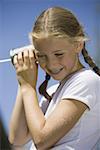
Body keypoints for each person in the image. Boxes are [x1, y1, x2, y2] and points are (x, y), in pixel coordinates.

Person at [9, 7, 100, 150]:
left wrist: (28, 87)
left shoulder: (87, 81)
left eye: (58, 54)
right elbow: (17, 139)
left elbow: (42, 140)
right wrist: (23, 81)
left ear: (78, 44)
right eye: (42, 56)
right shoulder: (52, 93)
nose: (51, 64)